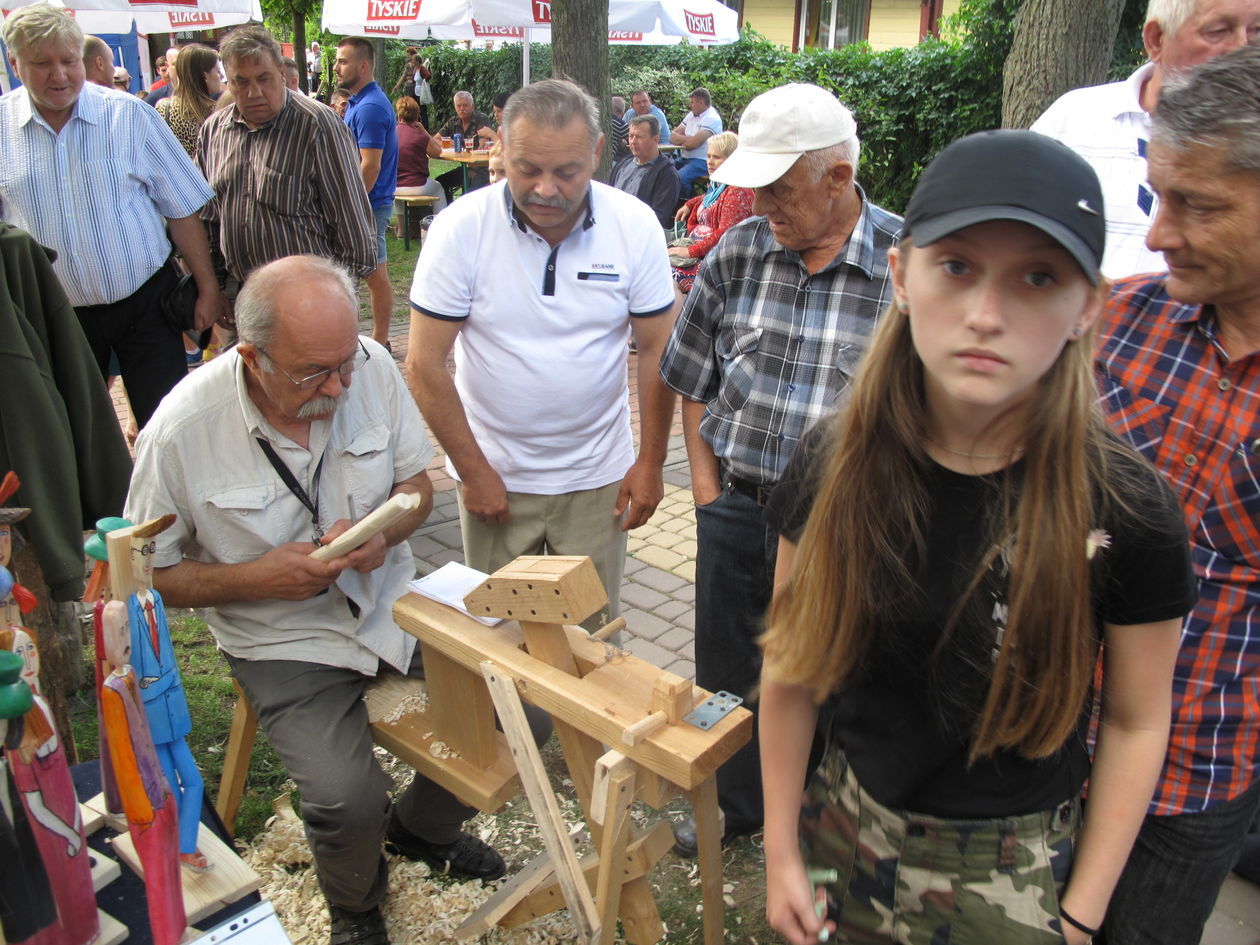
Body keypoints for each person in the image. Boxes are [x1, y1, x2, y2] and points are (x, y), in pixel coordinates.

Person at [759, 127, 1195, 945]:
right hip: (839, 833)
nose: (987, 315)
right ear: (900, 273)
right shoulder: (831, 464)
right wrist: (781, 845)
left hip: (1011, 873)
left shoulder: (1127, 511)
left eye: (1038, 277)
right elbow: (789, 669)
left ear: (1088, 305)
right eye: (956, 266)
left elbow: (1138, 720)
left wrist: (1077, 913)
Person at [125, 255, 532, 945]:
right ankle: (356, 901)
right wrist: (258, 578)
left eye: (346, 361)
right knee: (346, 798)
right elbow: (146, 579)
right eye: (314, 372)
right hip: (283, 636)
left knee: (524, 711)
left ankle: (419, 830)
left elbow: (415, 490)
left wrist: (384, 535)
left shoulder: (367, 364)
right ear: (251, 356)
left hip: (390, 601)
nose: (342, 384)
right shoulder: (180, 431)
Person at [659, 83, 902, 858]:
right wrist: (704, 491)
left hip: (842, 530)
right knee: (725, 675)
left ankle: (811, 826)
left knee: (828, 677)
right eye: (756, 187)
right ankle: (733, 808)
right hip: (737, 508)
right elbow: (689, 375)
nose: (762, 203)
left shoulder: (908, 268)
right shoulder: (740, 250)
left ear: (838, 177)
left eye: (778, 187)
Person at [1092, 44, 1260, 945]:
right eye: (1159, 197)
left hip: (1197, 774)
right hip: (1044, 743)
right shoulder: (1117, 320)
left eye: (1198, 205)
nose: (1157, 234)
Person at [407, 78, 678, 632]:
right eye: (528, 169)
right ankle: (516, 725)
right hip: (495, 478)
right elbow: (424, 363)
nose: (546, 190)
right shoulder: (461, 228)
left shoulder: (633, 225)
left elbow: (656, 349)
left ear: (598, 153)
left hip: (598, 478)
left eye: (567, 172)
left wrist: (649, 462)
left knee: (593, 645)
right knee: (498, 644)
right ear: (501, 149)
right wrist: (472, 470)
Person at [0, 4, 228, 431]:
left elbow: (182, 209)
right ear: (14, 63)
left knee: (167, 423)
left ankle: (170, 499)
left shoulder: (128, 116)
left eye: (69, 61)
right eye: (42, 63)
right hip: (55, 315)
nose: (60, 75)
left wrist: (208, 287)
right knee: (73, 429)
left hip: (146, 304)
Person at [1031, 0, 1260, 278]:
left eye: (1257, 31)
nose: (1242, 48)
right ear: (1156, 40)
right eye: (1219, 31)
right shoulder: (1075, 119)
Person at [197, 27, 375, 302]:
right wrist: (217, 286)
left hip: (309, 300)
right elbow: (208, 217)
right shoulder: (214, 130)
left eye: (263, 79)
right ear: (227, 83)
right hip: (241, 296)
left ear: (281, 73)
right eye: (241, 82)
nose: (254, 92)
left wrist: (334, 300)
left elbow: (353, 227)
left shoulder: (317, 125)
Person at [335, 37, 399, 349]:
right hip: (368, 203)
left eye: (342, 61)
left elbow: (369, 167)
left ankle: (381, 339)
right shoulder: (361, 102)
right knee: (371, 272)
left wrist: (349, 206)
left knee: (374, 274)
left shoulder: (370, 107)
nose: (336, 68)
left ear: (363, 65)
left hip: (369, 204)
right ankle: (377, 338)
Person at [669, 131, 754, 293]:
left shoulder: (738, 190)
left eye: (717, 157)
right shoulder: (719, 185)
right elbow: (711, 198)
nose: (710, 162)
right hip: (704, 256)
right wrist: (690, 203)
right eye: (708, 156)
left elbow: (725, 234)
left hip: (721, 266)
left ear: (732, 160)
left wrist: (689, 252)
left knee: (668, 275)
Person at [610, 114, 681, 228]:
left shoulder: (667, 174)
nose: (633, 141)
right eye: (631, 136)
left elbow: (659, 218)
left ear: (656, 139)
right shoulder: (622, 165)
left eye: (639, 137)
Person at [393, 94, 446, 237]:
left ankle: (402, 230)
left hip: (394, 186)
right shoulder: (419, 134)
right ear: (417, 115)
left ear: (399, 115)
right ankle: (442, 227)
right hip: (417, 185)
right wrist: (424, 131)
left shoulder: (391, 132)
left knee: (399, 192)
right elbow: (437, 152)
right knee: (439, 188)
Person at [156, 44, 221, 156]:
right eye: (218, 71)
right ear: (205, 76)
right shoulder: (217, 113)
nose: (220, 76)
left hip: (174, 173)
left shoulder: (163, 107)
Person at [435, 90, 492, 198]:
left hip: (482, 168)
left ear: (472, 106)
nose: (462, 109)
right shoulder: (454, 121)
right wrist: (447, 143)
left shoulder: (481, 119)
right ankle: (449, 211)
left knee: (470, 194)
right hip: (465, 167)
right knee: (440, 183)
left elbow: (482, 146)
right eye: (459, 106)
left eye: (465, 105)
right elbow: (435, 140)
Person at [669, 86, 722, 200]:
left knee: (680, 178)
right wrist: (687, 140)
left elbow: (694, 144)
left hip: (703, 160)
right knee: (665, 171)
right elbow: (672, 136)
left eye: (692, 102)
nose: (690, 105)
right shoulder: (690, 115)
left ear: (701, 102)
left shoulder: (712, 118)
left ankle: (684, 207)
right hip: (684, 158)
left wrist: (685, 139)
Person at [609, 94, 630, 162]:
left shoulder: (602, 120)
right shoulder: (620, 125)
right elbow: (635, 138)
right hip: (609, 161)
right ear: (623, 112)